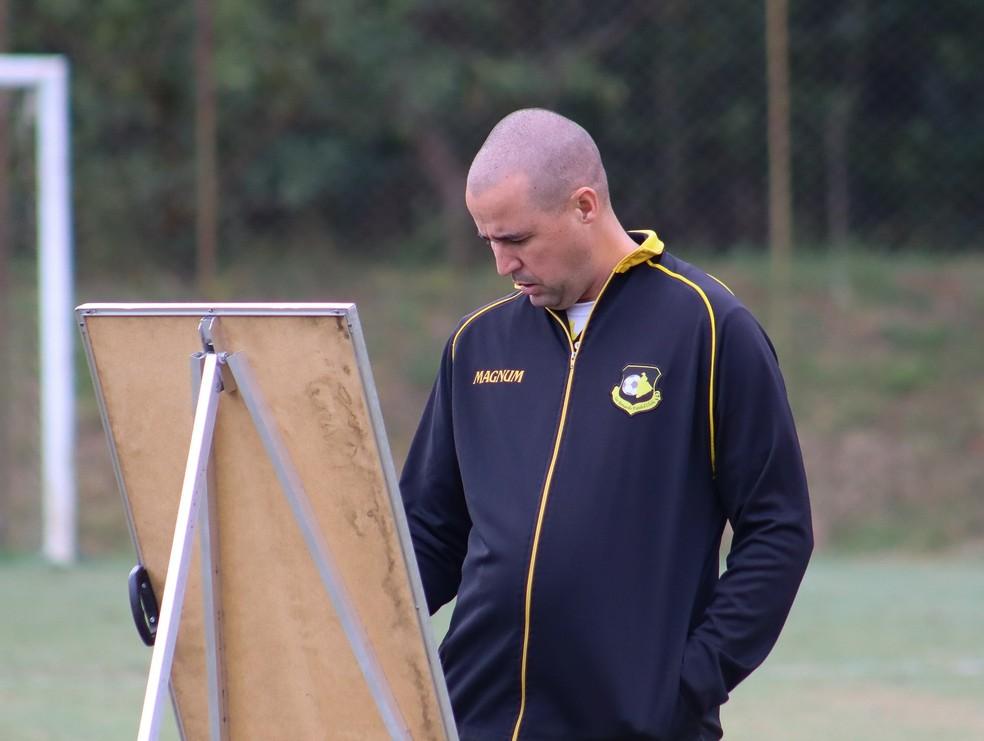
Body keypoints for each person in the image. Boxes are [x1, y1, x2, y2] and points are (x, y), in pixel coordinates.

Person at [400, 108, 813, 741]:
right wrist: (357, 631)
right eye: (488, 241)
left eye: (516, 239)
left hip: (639, 722)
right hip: (476, 718)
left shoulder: (708, 328)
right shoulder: (476, 346)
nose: (503, 264)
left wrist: (689, 681)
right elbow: (428, 532)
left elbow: (778, 530)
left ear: (584, 206)